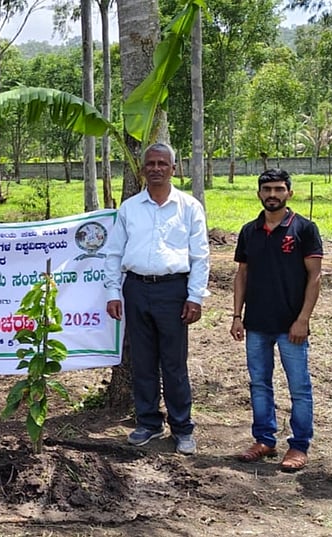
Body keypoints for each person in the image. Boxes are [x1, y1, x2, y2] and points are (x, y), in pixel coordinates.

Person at [102, 142, 210, 455]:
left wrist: (195, 297)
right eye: (150, 164)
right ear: (142, 169)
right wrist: (113, 292)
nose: (156, 169)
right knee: (143, 360)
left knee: (174, 364)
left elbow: (200, 256)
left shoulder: (189, 207)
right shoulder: (130, 209)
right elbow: (114, 253)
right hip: (136, 289)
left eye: (163, 164)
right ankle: (148, 422)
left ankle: (182, 427)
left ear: (173, 169)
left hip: (174, 291)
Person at [229, 169, 322, 472]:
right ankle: (264, 439)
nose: (272, 194)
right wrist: (237, 316)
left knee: (299, 388)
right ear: (259, 193)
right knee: (259, 384)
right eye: (267, 189)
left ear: (289, 193)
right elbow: (242, 275)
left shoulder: (304, 229)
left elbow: (315, 276)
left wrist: (303, 319)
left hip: (291, 326)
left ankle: (299, 445)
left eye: (279, 189)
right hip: (256, 324)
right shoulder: (249, 231)